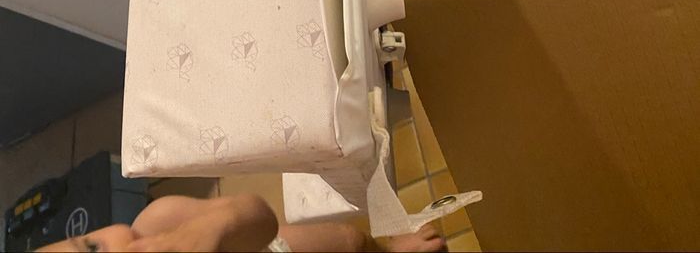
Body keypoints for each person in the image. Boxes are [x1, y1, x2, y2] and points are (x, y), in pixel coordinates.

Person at [37, 193, 447, 252]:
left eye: (93, 248)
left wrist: (214, 227)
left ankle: (388, 250)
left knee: (349, 241)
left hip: (267, 247)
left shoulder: (160, 221)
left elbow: (260, 218)